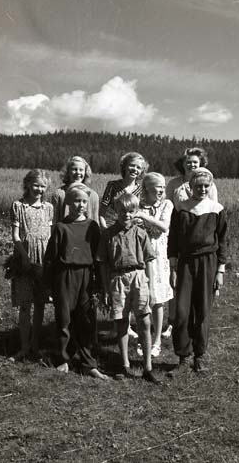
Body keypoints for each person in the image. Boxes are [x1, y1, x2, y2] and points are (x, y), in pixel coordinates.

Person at [43, 184, 108, 380]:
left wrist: (99, 284)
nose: (81, 205)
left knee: (86, 319)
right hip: (64, 276)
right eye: (77, 201)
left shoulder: (92, 227)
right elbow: (50, 259)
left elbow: (98, 257)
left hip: (86, 276)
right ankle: (64, 358)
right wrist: (48, 285)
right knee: (64, 318)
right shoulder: (61, 227)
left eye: (84, 202)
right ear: (69, 203)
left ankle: (89, 363)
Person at [167, 167, 227, 376]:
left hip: (208, 263)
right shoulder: (181, 209)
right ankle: (184, 357)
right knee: (182, 311)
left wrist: (220, 270)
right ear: (190, 186)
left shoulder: (217, 209)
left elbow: (222, 242)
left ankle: (199, 356)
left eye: (206, 186)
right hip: (185, 263)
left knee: (202, 310)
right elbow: (172, 240)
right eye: (198, 185)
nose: (202, 189)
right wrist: (173, 268)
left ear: (210, 187)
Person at [97, 192, 160, 384]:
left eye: (131, 211)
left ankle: (147, 366)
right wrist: (106, 289)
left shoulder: (140, 233)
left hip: (139, 278)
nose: (127, 214)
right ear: (116, 211)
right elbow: (103, 263)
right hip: (117, 279)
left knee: (145, 321)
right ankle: (124, 365)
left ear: (136, 211)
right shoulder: (108, 234)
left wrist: (150, 287)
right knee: (122, 322)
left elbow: (149, 260)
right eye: (123, 210)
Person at [163, 147, 218, 339]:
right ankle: (174, 321)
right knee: (175, 283)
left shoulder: (208, 184)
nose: (191, 165)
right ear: (183, 164)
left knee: (197, 293)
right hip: (177, 233)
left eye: (195, 162)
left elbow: (213, 213)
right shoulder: (174, 184)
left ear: (200, 164)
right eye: (188, 162)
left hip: (201, 239)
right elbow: (166, 205)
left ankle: (196, 329)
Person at [99, 151, 149, 340]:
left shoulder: (142, 189)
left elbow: (142, 213)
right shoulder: (113, 186)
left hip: (133, 237)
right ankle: (118, 324)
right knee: (116, 279)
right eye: (131, 165)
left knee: (132, 278)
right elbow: (102, 212)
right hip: (114, 237)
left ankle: (126, 326)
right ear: (124, 166)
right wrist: (105, 232)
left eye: (138, 167)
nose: (134, 169)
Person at [9, 169, 53, 363]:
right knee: (25, 304)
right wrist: (25, 256)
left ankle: (35, 345)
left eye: (43, 186)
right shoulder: (18, 206)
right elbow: (16, 236)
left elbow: (50, 235)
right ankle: (24, 346)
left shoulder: (48, 208)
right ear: (27, 184)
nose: (39, 190)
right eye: (36, 185)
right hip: (24, 258)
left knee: (40, 303)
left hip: (43, 259)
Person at [134, 172, 174, 358]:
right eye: (157, 186)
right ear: (147, 188)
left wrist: (142, 216)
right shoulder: (137, 204)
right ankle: (144, 338)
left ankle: (157, 340)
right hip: (139, 257)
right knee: (142, 299)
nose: (161, 190)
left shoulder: (167, 204)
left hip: (158, 259)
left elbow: (163, 227)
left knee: (158, 300)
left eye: (163, 187)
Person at [51, 155, 99, 224]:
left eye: (81, 170)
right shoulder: (59, 194)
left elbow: (95, 221)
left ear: (85, 172)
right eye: (74, 169)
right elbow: (54, 220)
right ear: (67, 172)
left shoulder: (93, 195)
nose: (78, 172)